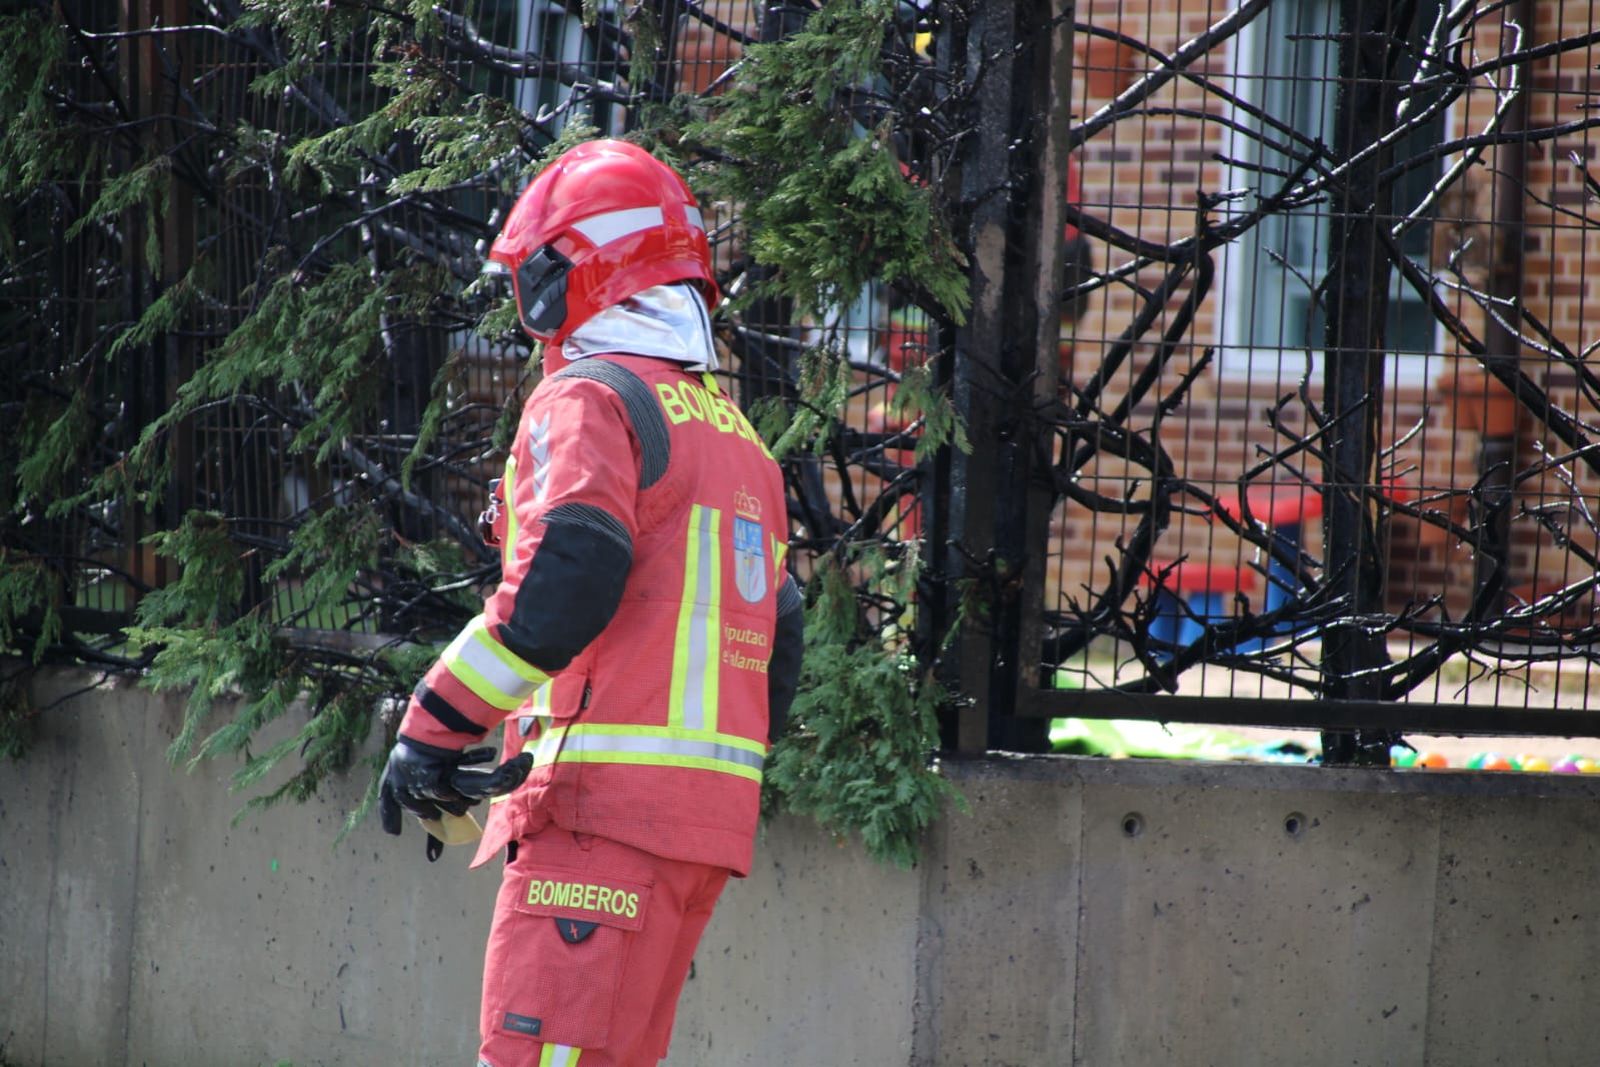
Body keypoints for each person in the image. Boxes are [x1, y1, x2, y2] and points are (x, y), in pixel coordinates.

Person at [377, 138, 805, 1067]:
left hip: (595, 826)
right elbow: (786, 630)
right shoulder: (741, 444)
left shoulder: (587, 400)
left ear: (574, 277)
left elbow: (568, 575)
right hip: (698, 835)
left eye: (533, 277)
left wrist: (433, 727)